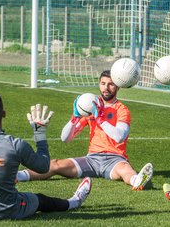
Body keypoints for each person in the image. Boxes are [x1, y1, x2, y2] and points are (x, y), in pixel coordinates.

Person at [0, 93, 92, 219]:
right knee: (40, 200)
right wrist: (40, 134)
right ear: (4, 114)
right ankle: (74, 202)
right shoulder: (15, 145)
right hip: (8, 209)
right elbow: (43, 167)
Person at [16, 70, 153, 191]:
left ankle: (137, 181)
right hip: (91, 159)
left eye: (110, 84)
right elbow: (65, 138)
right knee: (55, 164)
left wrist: (99, 119)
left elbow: (120, 136)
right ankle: (16, 176)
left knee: (125, 170)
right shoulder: (90, 105)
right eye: (103, 83)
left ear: (117, 87)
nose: (106, 88)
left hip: (115, 159)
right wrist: (74, 118)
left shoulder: (122, 109)